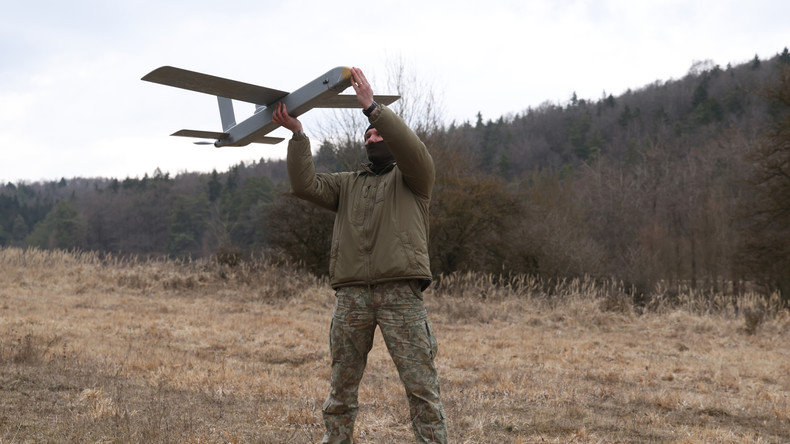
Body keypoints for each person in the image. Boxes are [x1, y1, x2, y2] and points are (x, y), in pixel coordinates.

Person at [272, 67, 448, 444]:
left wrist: (373, 109)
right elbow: (304, 185)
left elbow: (413, 150)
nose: (373, 137)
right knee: (340, 391)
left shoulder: (415, 179)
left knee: (422, 390)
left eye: (379, 133)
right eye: (368, 134)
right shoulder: (348, 184)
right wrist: (299, 135)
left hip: (401, 296)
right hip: (351, 298)